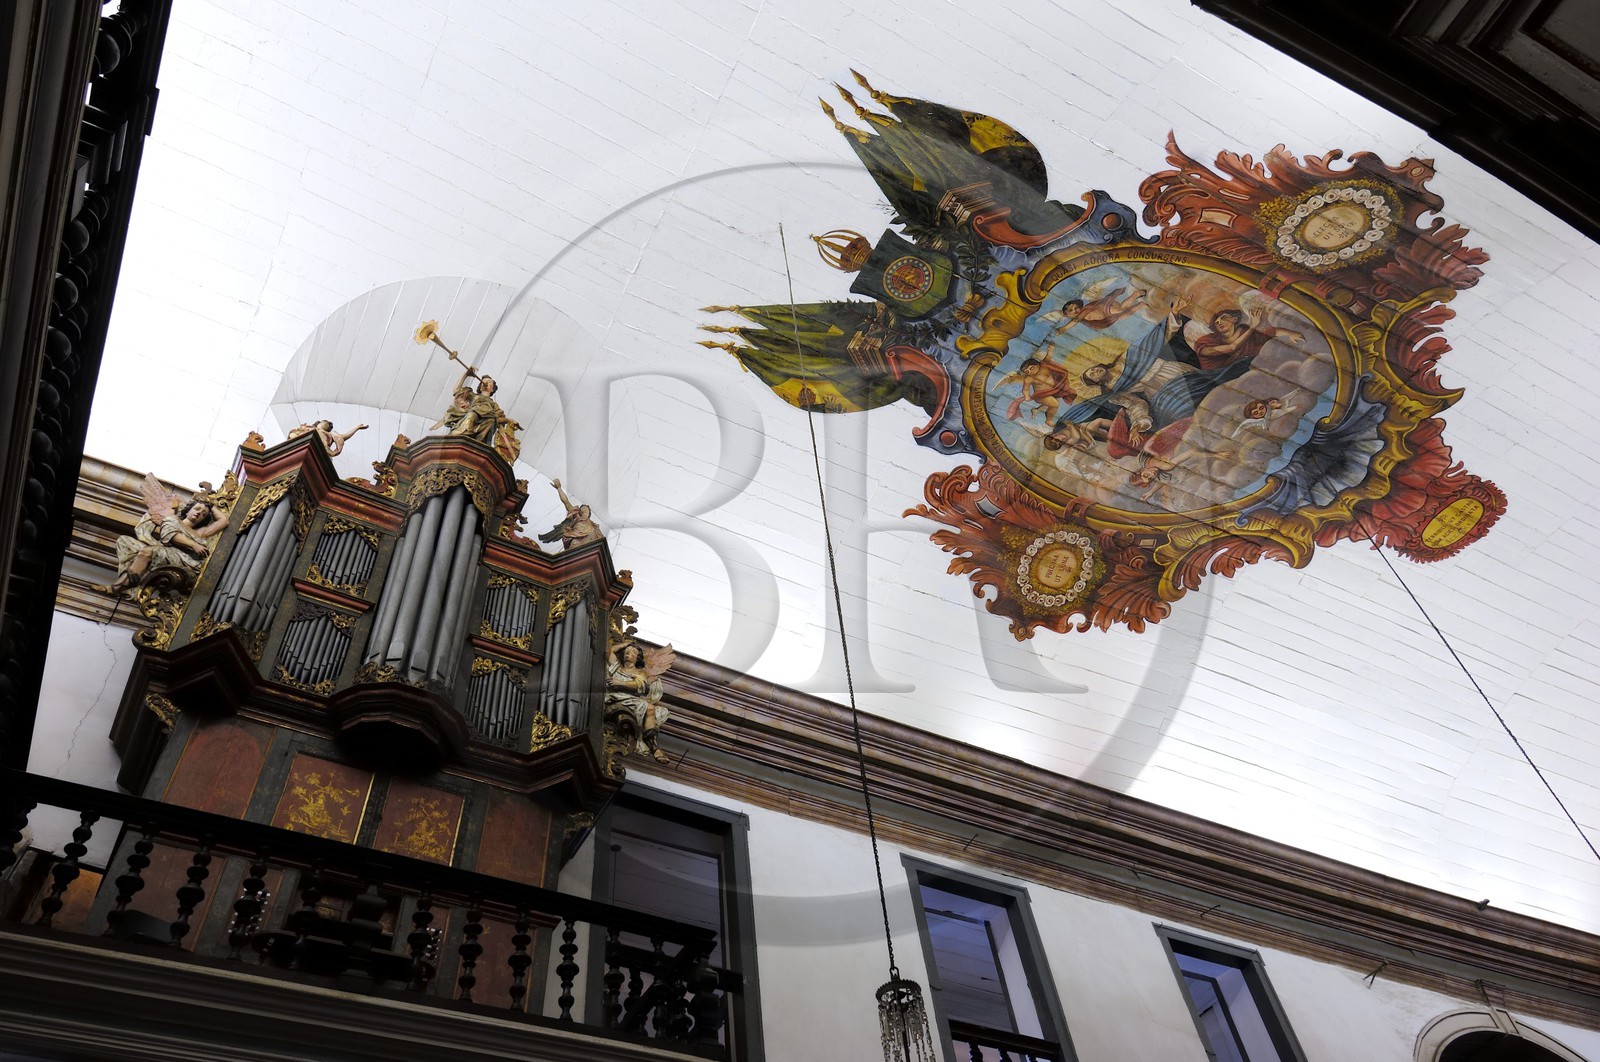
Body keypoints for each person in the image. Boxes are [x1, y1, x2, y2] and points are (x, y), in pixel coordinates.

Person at [102, 498, 227, 595]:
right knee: (125, 541)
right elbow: (170, 535)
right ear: (188, 510)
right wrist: (194, 544)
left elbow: (223, 521)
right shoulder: (173, 519)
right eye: (197, 509)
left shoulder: (201, 532)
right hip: (170, 551)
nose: (199, 513)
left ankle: (119, 586)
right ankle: (125, 583)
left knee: (147, 552)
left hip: (187, 561)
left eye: (204, 514)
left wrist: (210, 504)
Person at [537, 479, 603, 550]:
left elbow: (601, 540)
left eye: (586, 508)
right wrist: (559, 488)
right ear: (579, 510)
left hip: (590, 540)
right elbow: (566, 502)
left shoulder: (594, 526)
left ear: (589, 513)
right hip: (576, 537)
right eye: (582, 507)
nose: (584, 508)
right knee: (574, 549)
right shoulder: (576, 515)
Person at [288, 419, 367, 456]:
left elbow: (344, 436)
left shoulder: (330, 435)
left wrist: (357, 428)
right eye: (326, 422)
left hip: (318, 448)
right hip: (303, 443)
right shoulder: (309, 427)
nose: (327, 424)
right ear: (319, 423)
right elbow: (295, 433)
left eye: (328, 425)